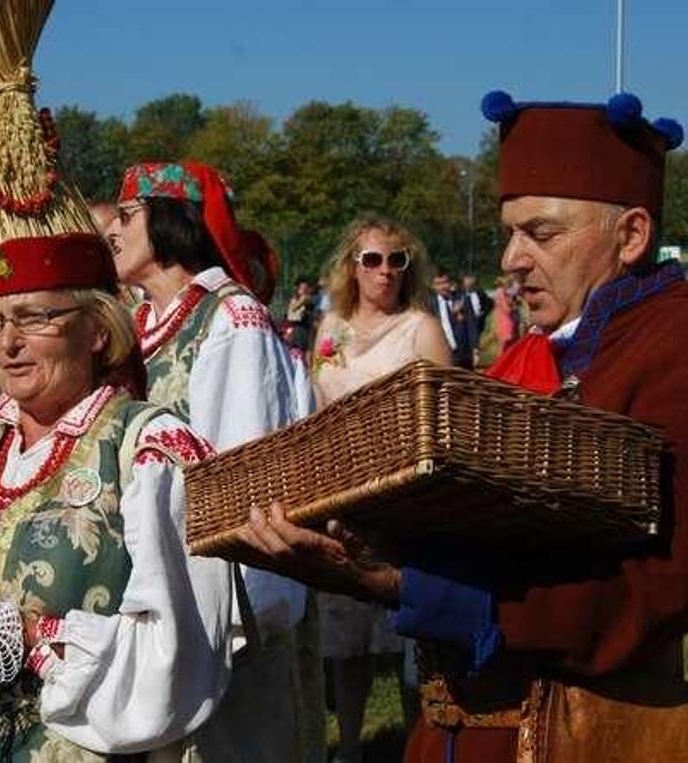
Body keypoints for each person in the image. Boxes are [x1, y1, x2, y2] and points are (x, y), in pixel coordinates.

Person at [235, 90, 687, 762]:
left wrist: (410, 583)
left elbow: (649, 592)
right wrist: (356, 542)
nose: (512, 257)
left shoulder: (671, 342)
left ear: (631, 236)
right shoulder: (529, 354)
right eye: (509, 231)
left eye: (542, 232)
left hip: (580, 737)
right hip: (456, 730)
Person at [0, 232, 233, 760]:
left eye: (34, 318)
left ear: (97, 329)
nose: (8, 343)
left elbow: (179, 653)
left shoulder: (149, 448)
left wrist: (34, 636)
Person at [106, 160, 321, 761]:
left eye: (127, 216)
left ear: (170, 221)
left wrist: (233, 618)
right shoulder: (140, 324)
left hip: (222, 608)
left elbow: (242, 472)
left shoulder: (231, 320)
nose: (113, 231)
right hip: (151, 591)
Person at [311, 214, 450, 763]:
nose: (386, 271)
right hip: (342, 495)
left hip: (405, 500)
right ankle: (349, 748)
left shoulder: (422, 328)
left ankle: (419, 745)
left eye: (398, 260)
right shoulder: (330, 328)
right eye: (372, 259)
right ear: (353, 266)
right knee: (346, 639)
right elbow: (319, 408)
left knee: (415, 633)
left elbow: (446, 411)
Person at [430, 271, 478, 369]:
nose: (443, 286)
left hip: (463, 353)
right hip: (442, 353)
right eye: (438, 284)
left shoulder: (463, 299)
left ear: (450, 283)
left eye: (445, 282)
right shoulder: (429, 305)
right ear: (433, 286)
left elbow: (471, 325)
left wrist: (475, 348)